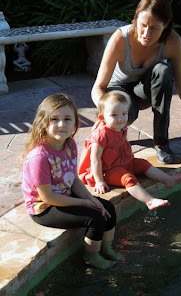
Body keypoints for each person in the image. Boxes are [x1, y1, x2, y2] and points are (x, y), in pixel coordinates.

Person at [91, 0, 181, 164]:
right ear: (136, 18)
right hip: (119, 93)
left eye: (154, 28)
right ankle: (114, 139)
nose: (146, 33)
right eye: (143, 25)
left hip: (145, 92)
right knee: (127, 113)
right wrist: (107, 112)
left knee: (163, 71)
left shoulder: (173, 42)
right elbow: (98, 87)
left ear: (166, 25)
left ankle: (161, 143)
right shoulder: (120, 39)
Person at [20, 93, 125, 270]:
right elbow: (48, 198)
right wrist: (85, 202)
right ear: (43, 122)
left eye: (67, 119)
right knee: (94, 218)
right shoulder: (39, 157)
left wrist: (91, 200)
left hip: (64, 194)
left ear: (75, 123)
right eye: (55, 119)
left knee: (108, 208)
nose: (62, 125)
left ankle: (107, 248)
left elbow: (74, 180)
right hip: (44, 207)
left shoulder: (69, 145)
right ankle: (91, 256)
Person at [79, 91, 181, 209]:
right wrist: (99, 181)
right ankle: (149, 201)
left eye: (124, 113)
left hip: (123, 163)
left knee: (143, 163)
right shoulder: (101, 135)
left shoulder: (121, 127)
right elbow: (94, 159)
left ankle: (168, 180)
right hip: (107, 171)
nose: (120, 119)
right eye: (114, 115)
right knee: (127, 178)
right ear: (102, 117)